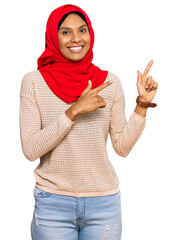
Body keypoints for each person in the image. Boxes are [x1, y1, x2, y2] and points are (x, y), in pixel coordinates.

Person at [19, 4, 158, 240]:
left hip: (103, 204)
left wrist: (142, 105)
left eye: (82, 30)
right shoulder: (34, 82)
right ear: (53, 36)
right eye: (65, 32)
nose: (76, 38)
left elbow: (121, 148)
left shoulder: (109, 82)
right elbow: (30, 149)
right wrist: (73, 111)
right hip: (53, 203)